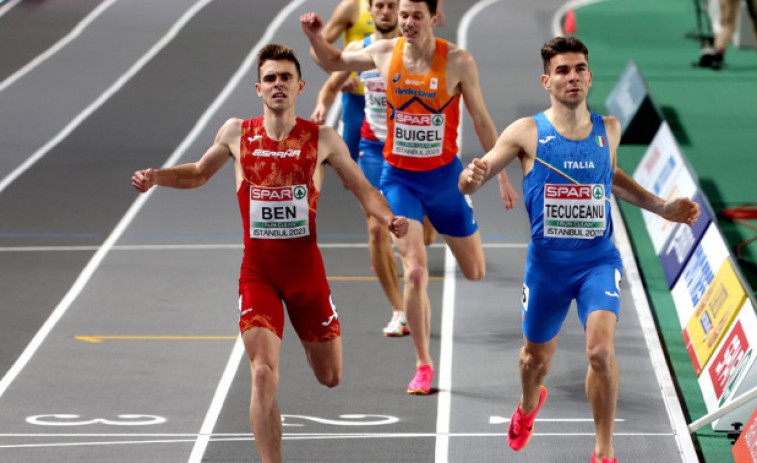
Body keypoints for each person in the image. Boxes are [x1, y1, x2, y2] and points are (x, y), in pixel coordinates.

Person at [131, 44, 408, 463]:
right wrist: (158, 177)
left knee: (330, 377)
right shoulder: (237, 134)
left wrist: (389, 218)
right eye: (270, 78)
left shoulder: (323, 139)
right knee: (262, 373)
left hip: (306, 273)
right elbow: (198, 174)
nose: (278, 84)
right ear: (258, 88)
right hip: (258, 271)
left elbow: (362, 188)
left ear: (300, 86)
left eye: (285, 77)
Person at [459, 36, 700, 463]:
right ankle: (529, 405)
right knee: (535, 361)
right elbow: (479, 173)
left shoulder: (609, 129)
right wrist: (471, 178)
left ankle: (604, 450)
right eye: (563, 71)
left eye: (580, 69)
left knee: (601, 352)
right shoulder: (527, 132)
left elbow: (612, 177)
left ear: (589, 75)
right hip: (547, 268)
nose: (573, 77)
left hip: (597, 262)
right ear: (546, 81)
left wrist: (662, 206)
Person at [301, 0, 519, 395]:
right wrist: (315, 35)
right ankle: (423, 365)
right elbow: (334, 61)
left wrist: (501, 176)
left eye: (416, 16)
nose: (407, 23)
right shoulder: (384, 53)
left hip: (446, 180)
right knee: (416, 270)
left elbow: (482, 120)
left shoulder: (458, 61)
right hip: (399, 179)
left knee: (475, 271)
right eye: (403, 16)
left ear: (434, 18)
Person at [312, 0, 436, 337]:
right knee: (376, 228)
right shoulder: (360, 49)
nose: (383, 12)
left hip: (412, 149)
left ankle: (435, 216)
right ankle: (399, 308)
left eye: (390, 6)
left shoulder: (415, 48)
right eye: (378, 6)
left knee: (424, 233)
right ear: (371, 11)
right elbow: (329, 83)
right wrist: (322, 105)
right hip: (373, 148)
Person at [313, 0, 375, 161]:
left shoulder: (403, 9)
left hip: (391, 101)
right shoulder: (352, 7)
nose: (385, 10)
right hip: (357, 99)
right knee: (351, 166)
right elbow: (317, 49)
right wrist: (336, 73)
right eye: (380, 6)